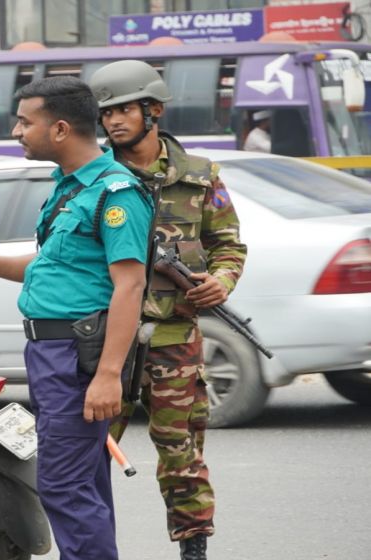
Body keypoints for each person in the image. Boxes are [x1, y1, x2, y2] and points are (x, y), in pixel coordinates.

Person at [0, 76, 152, 560]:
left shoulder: (115, 193)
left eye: (25, 121)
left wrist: (107, 376)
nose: (17, 131)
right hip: (49, 354)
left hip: (78, 357)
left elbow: (131, 286)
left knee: (61, 485)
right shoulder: (68, 187)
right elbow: (48, 271)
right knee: (82, 484)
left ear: (60, 128)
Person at [90, 59, 248, 560]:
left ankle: (193, 548)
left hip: (174, 337)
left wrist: (219, 283)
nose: (114, 121)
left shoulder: (200, 176)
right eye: (107, 112)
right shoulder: (93, 176)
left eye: (125, 110)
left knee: (180, 453)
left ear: (152, 110)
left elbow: (228, 245)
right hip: (104, 337)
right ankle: (91, 547)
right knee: (87, 453)